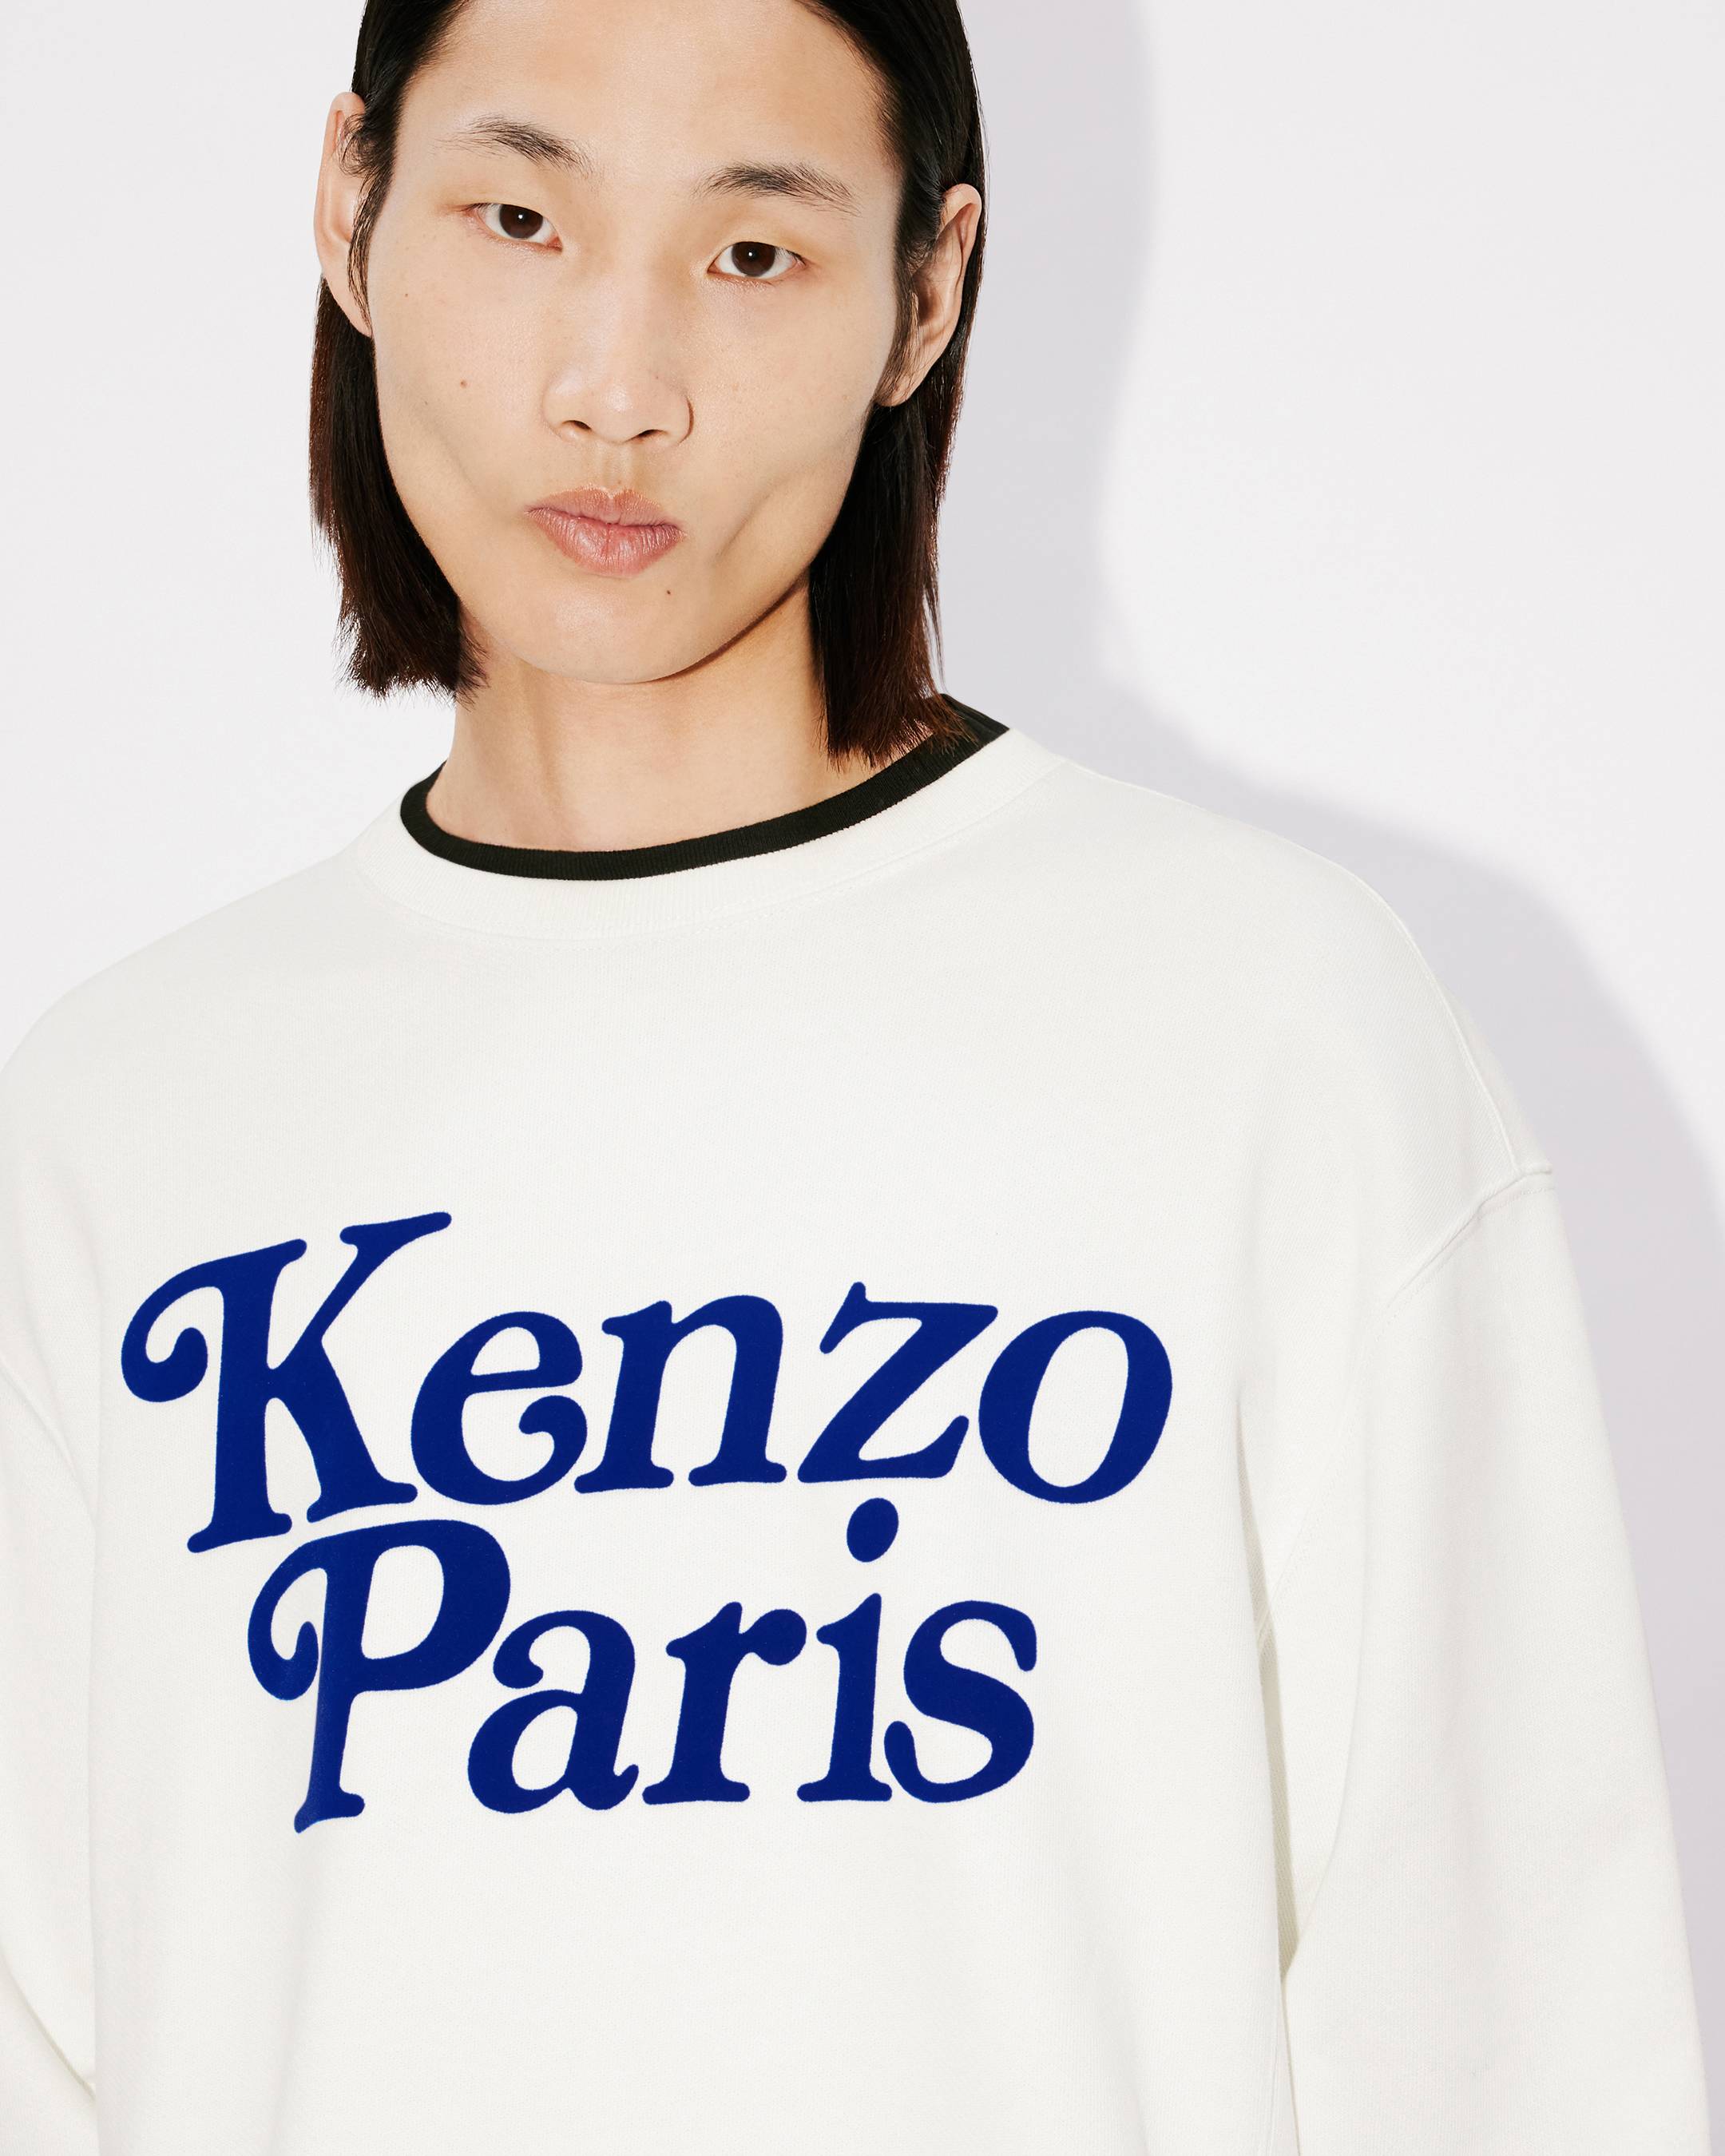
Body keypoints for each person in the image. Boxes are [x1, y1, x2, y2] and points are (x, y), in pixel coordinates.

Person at [0, 0, 1710, 2149]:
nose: (614, 384)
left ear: (926, 292)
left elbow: (1517, 2049)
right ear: (351, 207)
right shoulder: (119, 1126)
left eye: (752, 253)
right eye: (520, 218)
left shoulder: (1270, 1032)